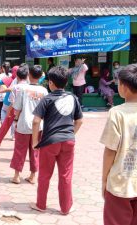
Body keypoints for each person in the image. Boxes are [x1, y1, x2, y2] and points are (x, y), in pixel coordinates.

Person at [30, 66, 83, 215]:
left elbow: (35, 121)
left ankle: (41, 204)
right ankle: (66, 208)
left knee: (45, 175)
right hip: (68, 141)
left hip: (49, 142)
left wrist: (35, 142)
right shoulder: (73, 97)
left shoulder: (47, 99)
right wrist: (70, 134)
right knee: (66, 175)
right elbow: (79, 121)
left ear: (51, 83)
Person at [100, 63, 137, 225]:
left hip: (120, 183)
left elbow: (110, 150)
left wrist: (104, 180)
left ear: (123, 87)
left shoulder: (116, 112)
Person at [10, 65, 48, 184]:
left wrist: (15, 120)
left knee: (19, 150)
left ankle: (16, 176)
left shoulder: (23, 89)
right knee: (35, 151)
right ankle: (33, 175)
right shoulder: (44, 91)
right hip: (39, 125)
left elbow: (17, 108)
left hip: (24, 124)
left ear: (29, 75)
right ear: (41, 75)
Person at [0, 65, 28, 146]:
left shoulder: (14, 81)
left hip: (14, 105)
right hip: (23, 105)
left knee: (11, 121)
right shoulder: (27, 82)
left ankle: (0, 139)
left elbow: (10, 88)